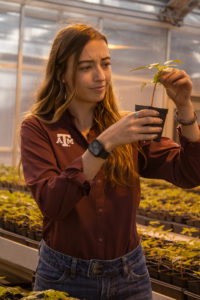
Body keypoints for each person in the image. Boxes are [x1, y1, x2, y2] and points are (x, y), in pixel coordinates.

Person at [20, 23, 200, 300]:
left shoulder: (126, 126)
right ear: (62, 74)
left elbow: (189, 174)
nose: (100, 76)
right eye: (86, 67)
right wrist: (103, 144)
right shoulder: (39, 128)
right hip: (64, 276)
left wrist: (185, 108)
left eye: (105, 64)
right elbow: (53, 203)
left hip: (130, 275)